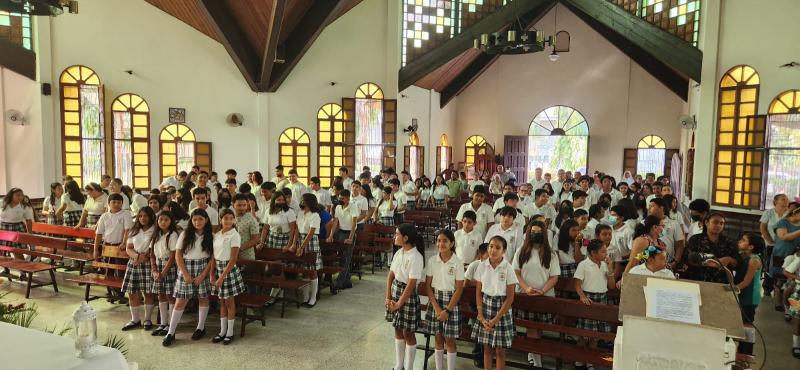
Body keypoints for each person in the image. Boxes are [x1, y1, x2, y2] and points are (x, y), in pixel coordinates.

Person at [163, 208, 214, 347]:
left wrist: (203, 274)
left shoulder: (211, 235)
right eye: (195, 219)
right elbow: (178, 255)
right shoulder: (185, 234)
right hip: (186, 268)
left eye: (201, 219)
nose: (197, 222)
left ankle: (200, 327)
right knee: (180, 301)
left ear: (206, 220)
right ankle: (171, 332)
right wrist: (185, 273)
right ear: (191, 220)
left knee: (203, 298)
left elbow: (212, 258)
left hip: (203, 267)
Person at [512, 221, 559, 367]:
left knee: (539, 328)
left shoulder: (550, 254)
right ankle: (536, 359)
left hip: (544, 296)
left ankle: (533, 353)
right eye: (532, 232)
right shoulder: (521, 251)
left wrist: (543, 290)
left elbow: (554, 276)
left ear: (544, 234)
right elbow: (516, 272)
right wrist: (526, 288)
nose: (535, 234)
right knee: (531, 327)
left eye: (538, 232)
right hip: (526, 295)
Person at [472, 235, 517, 370]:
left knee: (500, 351)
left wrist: (496, 319)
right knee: (486, 348)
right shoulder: (482, 266)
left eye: (498, 247)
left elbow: (510, 298)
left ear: (503, 251)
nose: (493, 250)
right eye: (491, 246)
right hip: (486, 307)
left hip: (502, 310)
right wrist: (480, 314)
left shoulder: (508, 268)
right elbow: (478, 292)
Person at [386, 224, 425, 370]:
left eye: (397, 234)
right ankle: (399, 365)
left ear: (406, 238)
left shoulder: (416, 257)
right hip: (395, 292)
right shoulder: (399, 253)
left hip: (407, 297)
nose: (394, 237)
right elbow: (390, 276)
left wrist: (399, 303)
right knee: (397, 328)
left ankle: (409, 367)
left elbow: (411, 284)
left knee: (408, 332)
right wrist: (388, 297)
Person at [425, 230, 464, 370]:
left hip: (451, 303)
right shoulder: (432, 261)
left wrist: (447, 310)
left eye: (445, 241)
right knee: (438, 337)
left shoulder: (457, 262)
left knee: (449, 340)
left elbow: (459, 289)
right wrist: (436, 307)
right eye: (439, 240)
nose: (441, 243)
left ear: (451, 243)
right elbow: (428, 286)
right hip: (435, 300)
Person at [573, 239, 615, 369]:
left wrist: (610, 269)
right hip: (588, 299)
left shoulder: (604, 265)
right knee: (583, 334)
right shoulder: (584, 264)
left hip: (601, 299)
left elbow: (611, 286)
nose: (605, 254)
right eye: (603, 251)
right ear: (593, 252)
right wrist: (582, 296)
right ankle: (579, 359)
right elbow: (577, 284)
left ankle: (590, 360)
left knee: (596, 336)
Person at [211, 209, 246, 344]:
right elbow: (213, 257)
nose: (228, 221)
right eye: (226, 218)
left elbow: (233, 260)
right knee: (222, 302)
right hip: (218, 269)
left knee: (229, 302)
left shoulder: (235, 235)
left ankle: (230, 332)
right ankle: (222, 331)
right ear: (221, 220)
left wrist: (221, 278)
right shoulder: (217, 234)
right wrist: (212, 274)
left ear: (234, 220)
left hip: (228, 271)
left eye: (231, 218)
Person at [120, 207, 157, 331]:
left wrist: (144, 257)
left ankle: (147, 319)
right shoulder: (134, 230)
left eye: (145, 216)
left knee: (148, 292)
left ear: (151, 216)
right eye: (140, 216)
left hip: (148, 262)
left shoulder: (155, 230)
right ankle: (135, 319)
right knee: (132, 292)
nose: (143, 218)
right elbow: (128, 247)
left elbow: (153, 248)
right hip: (134, 262)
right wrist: (137, 256)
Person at [732, 233, 764, 356]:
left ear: (751, 247)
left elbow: (746, 281)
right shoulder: (745, 257)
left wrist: (732, 289)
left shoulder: (754, 260)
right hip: (744, 295)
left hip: (749, 297)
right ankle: (741, 351)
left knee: (747, 324)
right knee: (742, 322)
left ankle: (746, 354)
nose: (740, 241)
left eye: (743, 240)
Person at [682, 213, 738, 283]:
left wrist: (729, 259)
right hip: (698, 280)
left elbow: (737, 262)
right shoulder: (695, 239)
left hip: (722, 282)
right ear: (706, 222)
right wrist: (706, 263)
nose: (718, 225)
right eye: (715, 222)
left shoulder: (729, 242)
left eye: (721, 223)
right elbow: (686, 258)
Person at [149, 211, 178, 337]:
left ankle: (171, 324)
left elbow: (172, 256)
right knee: (160, 295)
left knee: (170, 295)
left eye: (166, 220)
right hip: (158, 266)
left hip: (168, 267)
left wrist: (163, 272)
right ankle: (163, 323)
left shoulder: (172, 235)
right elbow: (151, 254)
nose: (163, 222)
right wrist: (154, 270)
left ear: (171, 221)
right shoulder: (156, 235)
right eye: (160, 220)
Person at [295, 193, 323, 307]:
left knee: (312, 271)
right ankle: (305, 297)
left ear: (310, 202)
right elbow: (296, 229)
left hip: (311, 241)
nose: (302, 202)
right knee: (304, 271)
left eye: (304, 200)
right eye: (302, 200)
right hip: (301, 239)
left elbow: (311, 233)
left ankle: (313, 297)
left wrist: (302, 247)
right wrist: (296, 244)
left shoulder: (315, 215)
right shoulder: (300, 213)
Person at [775, 207, 800, 311]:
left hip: (795, 253)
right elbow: (784, 237)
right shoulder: (783, 222)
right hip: (782, 252)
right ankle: (779, 303)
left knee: (789, 282)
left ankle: (789, 305)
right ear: (797, 212)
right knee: (779, 278)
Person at [232, 193, 260, 260]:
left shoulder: (251, 219)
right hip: (230, 255)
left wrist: (240, 248)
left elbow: (255, 239)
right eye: (239, 205)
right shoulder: (230, 218)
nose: (242, 208)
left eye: (244, 205)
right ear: (233, 205)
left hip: (247, 256)